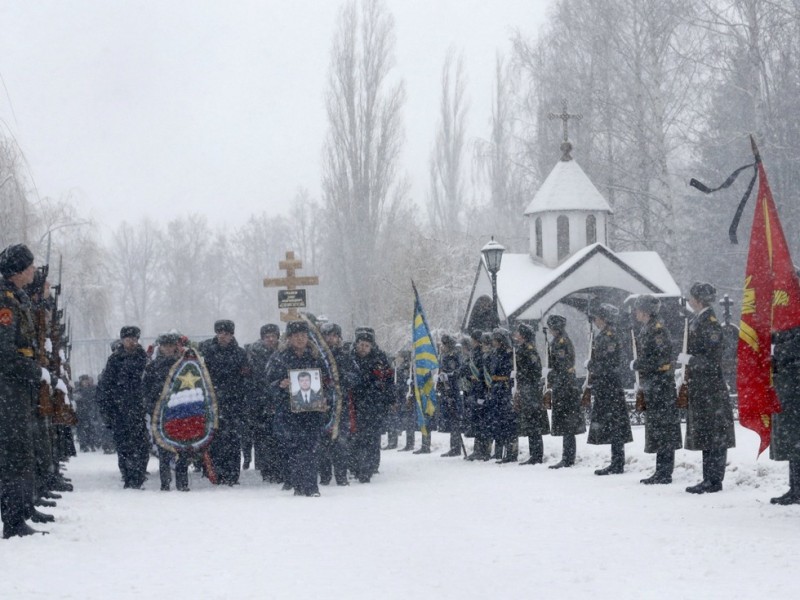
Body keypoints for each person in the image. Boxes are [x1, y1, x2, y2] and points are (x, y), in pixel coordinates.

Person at [0, 244, 50, 538]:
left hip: (16, 388)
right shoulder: (5, 303)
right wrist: (35, 371)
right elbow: (4, 354)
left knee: (22, 451)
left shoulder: (15, 298)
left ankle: (19, 514)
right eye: (29, 267)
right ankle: (14, 521)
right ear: (18, 271)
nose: (33, 271)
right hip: (7, 390)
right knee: (14, 454)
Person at [679, 283, 736, 493]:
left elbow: (712, 360)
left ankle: (714, 480)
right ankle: (708, 478)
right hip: (702, 387)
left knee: (714, 434)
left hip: (710, 387)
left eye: (692, 297)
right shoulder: (699, 320)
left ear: (698, 299)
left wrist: (690, 359)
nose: (690, 300)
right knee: (706, 433)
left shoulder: (709, 323)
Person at [266, 320, 328, 496]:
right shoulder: (279, 358)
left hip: (313, 412)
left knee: (311, 448)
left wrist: (325, 398)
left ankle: (312, 486)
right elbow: (268, 384)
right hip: (289, 412)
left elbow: (329, 382)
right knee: (295, 448)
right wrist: (280, 384)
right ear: (289, 338)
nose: (300, 339)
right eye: (296, 336)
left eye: (304, 335)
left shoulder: (317, 356)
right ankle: (299, 485)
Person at [632, 295, 682, 484]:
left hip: (661, 385)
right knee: (658, 428)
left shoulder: (657, 330)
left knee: (664, 429)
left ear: (645, 311)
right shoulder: (648, 329)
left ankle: (665, 472)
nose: (636, 313)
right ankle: (660, 470)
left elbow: (661, 360)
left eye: (638, 309)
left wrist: (639, 364)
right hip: (654, 385)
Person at [97, 325, 149, 489]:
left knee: (141, 445)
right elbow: (105, 387)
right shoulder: (114, 360)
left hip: (139, 409)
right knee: (123, 445)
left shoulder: (143, 358)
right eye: (128, 339)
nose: (131, 342)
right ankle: (128, 475)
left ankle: (139, 475)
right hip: (120, 411)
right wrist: (108, 410)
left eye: (134, 339)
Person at [200, 320, 251, 486]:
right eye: (220, 332)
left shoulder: (240, 354)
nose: (223, 336)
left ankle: (232, 474)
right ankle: (215, 472)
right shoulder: (207, 352)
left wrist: (240, 394)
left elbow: (247, 378)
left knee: (233, 440)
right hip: (213, 402)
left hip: (234, 403)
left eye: (227, 333)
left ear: (232, 335)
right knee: (214, 439)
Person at [585, 303, 632, 475]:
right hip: (606, 385)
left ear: (603, 318)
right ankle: (616, 461)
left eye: (597, 318)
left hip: (610, 384)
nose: (595, 321)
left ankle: (617, 462)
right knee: (613, 425)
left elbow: (609, 363)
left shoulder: (609, 336)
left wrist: (593, 366)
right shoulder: (604, 335)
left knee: (615, 425)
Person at [142, 333, 193, 491]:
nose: (169, 349)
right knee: (163, 448)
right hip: (161, 412)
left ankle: (182, 482)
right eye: (165, 346)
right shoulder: (152, 366)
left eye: (171, 346)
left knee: (182, 448)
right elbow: (146, 389)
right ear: (160, 347)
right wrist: (152, 406)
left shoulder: (184, 365)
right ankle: (165, 482)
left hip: (180, 411)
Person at [347, 328, 394, 481]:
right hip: (354, 404)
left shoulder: (380, 360)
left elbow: (389, 381)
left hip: (374, 405)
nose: (363, 348)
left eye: (366, 345)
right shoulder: (349, 358)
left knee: (372, 438)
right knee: (355, 438)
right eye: (361, 345)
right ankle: (355, 466)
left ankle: (370, 466)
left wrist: (390, 399)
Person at [546, 314, 585, 469]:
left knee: (567, 424)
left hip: (566, 386)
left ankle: (568, 457)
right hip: (562, 385)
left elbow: (562, 366)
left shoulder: (562, 342)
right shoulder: (557, 341)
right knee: (565, 423)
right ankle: (567, 456)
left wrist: (550, 374)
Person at [246, 323, 282, 483]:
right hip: (259, 401)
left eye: (273, 336)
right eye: (267, 336)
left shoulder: (283, 353)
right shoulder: (253, 354)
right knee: (262, 438)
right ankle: (266, 469)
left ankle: (278, 468)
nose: (270, 339)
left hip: (279, 399)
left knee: (278, 437)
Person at [770, 319, 800, 504]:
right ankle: (796, 487)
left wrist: (776, 350)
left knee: (796, 440)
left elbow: (796, 346)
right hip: (790, 386)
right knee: (793, 442)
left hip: (796, 386)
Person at [513, 323, 549, 465]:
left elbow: (535, 371)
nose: (516, 335)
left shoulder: (529, 350)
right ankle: (534, 453)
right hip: (526, 389)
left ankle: (537, 455)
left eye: (518, 333)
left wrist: (521, 374)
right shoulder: (522, 349)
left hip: (531, 390)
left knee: (534, 423)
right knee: (529, 423)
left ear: (523, 335)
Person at [318, 323, 349, 486]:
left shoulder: (344, 355)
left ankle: (341, 475)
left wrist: (341, 378)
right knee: (322, 443)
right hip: (321, 405)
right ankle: (324, 475)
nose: (331, 339)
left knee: (340, 443)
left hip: (340, 405)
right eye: (328, 335)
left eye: (334, 336)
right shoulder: (316, 355)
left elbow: (355, 377)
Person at [487, 328, 517, 463]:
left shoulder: (508, 354)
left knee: (508, 422)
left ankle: (511, 452)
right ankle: (498, 451)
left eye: (495, 340)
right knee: (497, 421)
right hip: (496, 389)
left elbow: (508, 372)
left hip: (504, 389)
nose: (493, 342)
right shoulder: (494, 353)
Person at [437, 334, 464, 458]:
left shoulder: (454, 356)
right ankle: (453, 446)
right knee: (451, 418)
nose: (442, 347)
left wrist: (450, 376)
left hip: (453, 389)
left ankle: (456, 447)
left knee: (455, 418)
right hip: (446, 389)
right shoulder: (443, 356)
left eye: (444, 344)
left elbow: (458, 371)